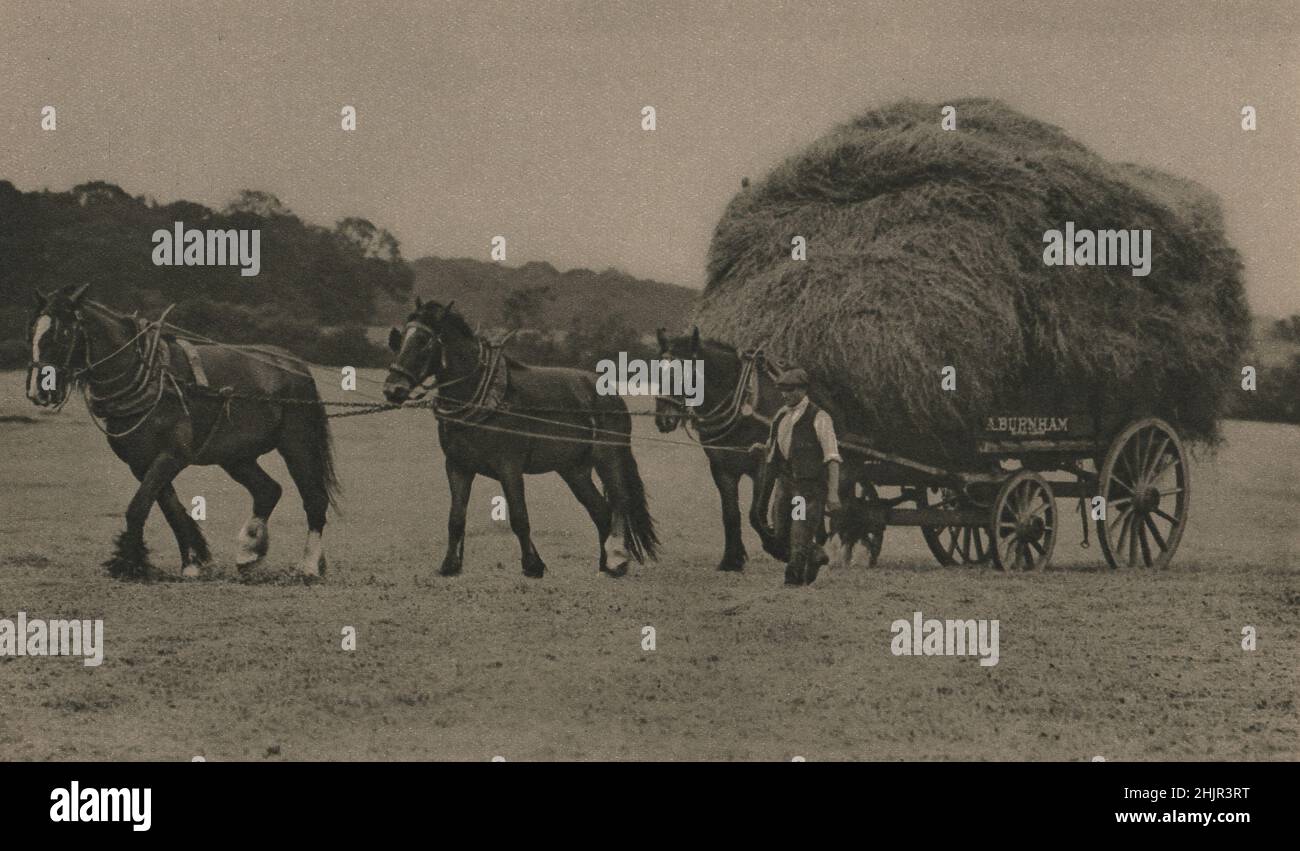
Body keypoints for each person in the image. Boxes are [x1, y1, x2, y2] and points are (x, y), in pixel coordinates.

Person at [762, 368, 842, 586]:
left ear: (803, 390)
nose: (785, 395)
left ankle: (793, 582)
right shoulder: (781, 415)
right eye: (782, 390)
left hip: (806, 489)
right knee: (778, 535)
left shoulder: (820, 418)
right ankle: (815, 554)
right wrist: (761, 448)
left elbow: (832, 458)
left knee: (799, 531)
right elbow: (776, 446)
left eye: (790, 390)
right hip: (785, 483)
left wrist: (833, 493)